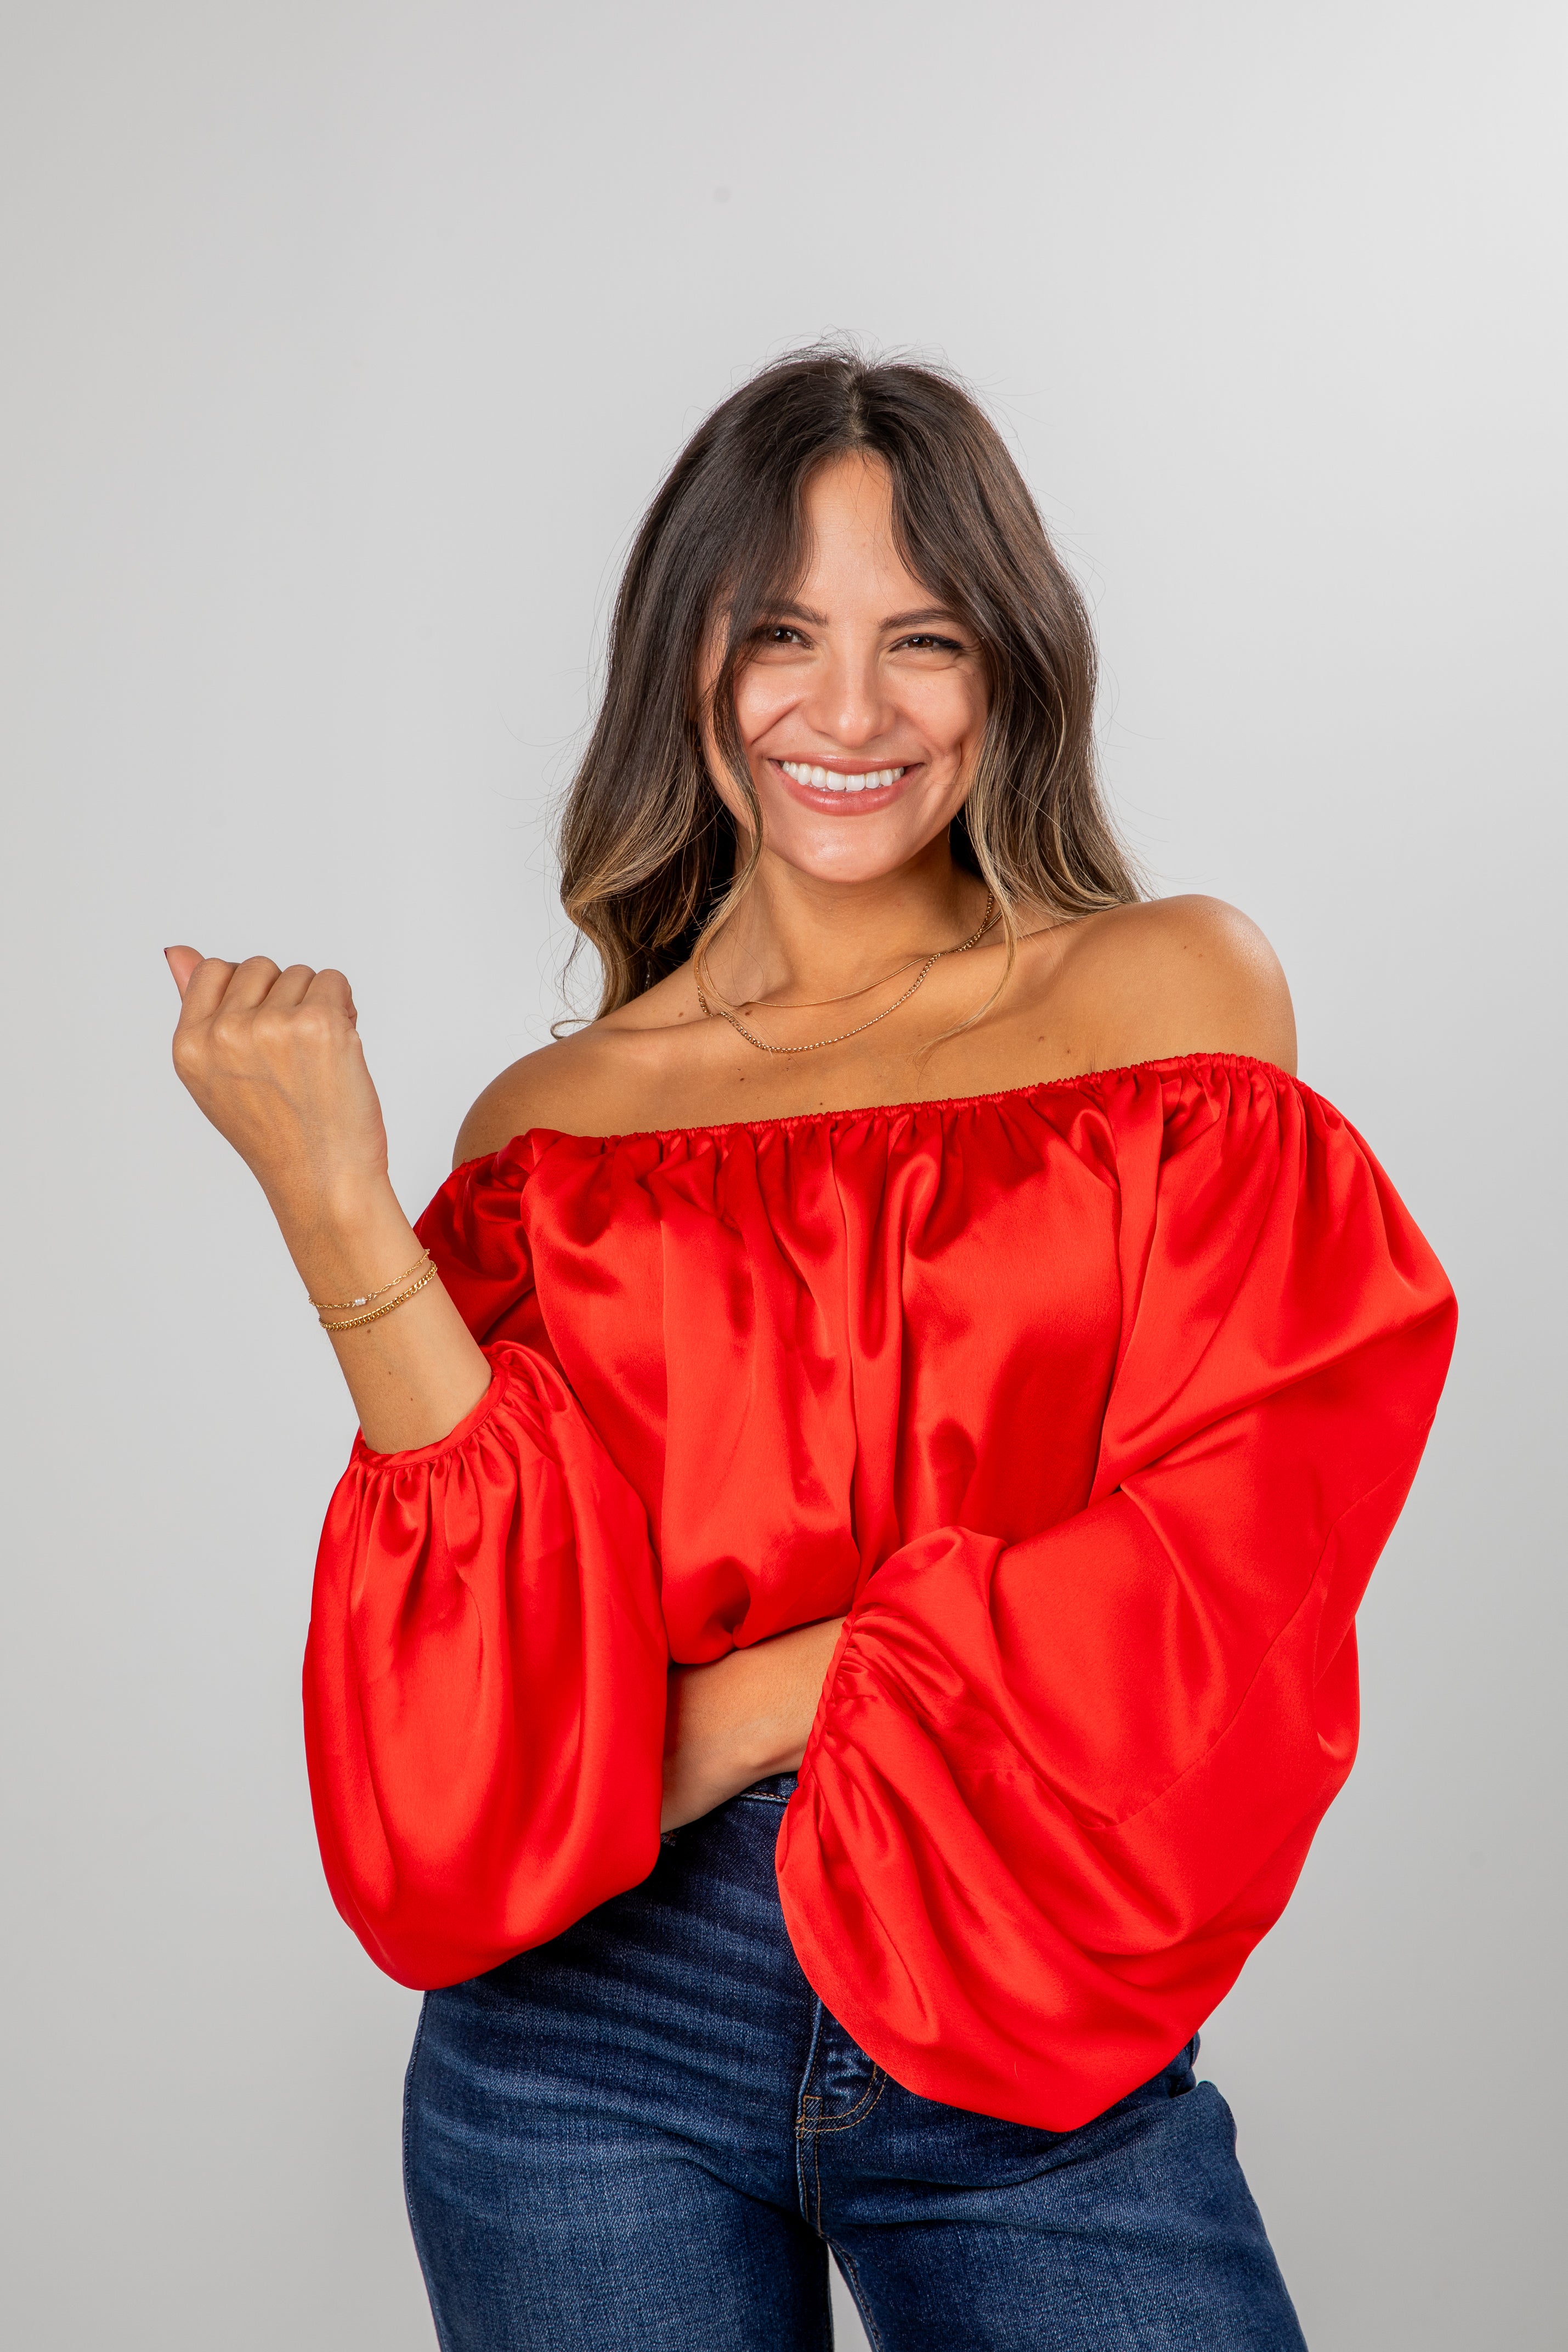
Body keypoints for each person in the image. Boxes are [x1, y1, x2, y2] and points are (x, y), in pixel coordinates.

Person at [166, 349, 1456, 2351]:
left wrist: (759, 1702)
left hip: (1023, 1988)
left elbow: (1239, 1545)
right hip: (583, 2031)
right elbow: (471, 1654)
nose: (845, 715)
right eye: (780, 632)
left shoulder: (1162, 994)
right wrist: (336, 1197)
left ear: (1008, 669)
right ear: (685, 661)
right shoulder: (555, 1118)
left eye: (919, 639)